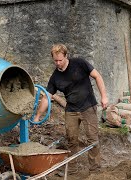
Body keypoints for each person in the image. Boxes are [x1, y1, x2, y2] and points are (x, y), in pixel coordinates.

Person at [33, 43, 108, 173]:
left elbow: (97, 76)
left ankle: (95, 169)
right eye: (55, 60)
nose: (57, 63)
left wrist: (104, 96)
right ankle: (72, 168)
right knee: (71, 139)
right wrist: (38, 116)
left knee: (92, 138)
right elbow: (46, 97)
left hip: (88, 106)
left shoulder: (79, 64)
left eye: (60, 60)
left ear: (66, 56)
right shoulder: (55, 77)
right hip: (71, 110)